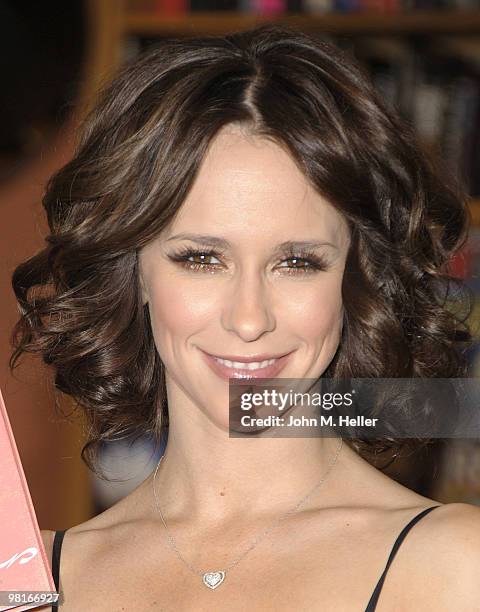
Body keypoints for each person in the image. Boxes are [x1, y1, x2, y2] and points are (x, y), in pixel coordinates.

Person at [9, 23, 480, 611]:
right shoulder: (30, 580)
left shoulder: (454, 566)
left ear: (357, 278)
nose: (250, 319)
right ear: (131, 270)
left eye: (298, 262)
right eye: (202, 259)